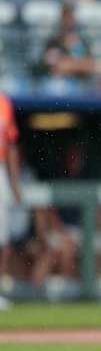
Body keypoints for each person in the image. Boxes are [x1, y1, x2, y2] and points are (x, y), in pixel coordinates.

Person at [0, 94, 21, 283]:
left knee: (3, 237)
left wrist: (14, 183)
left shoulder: (4, 102)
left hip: (0, 170)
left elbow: (11, 145)